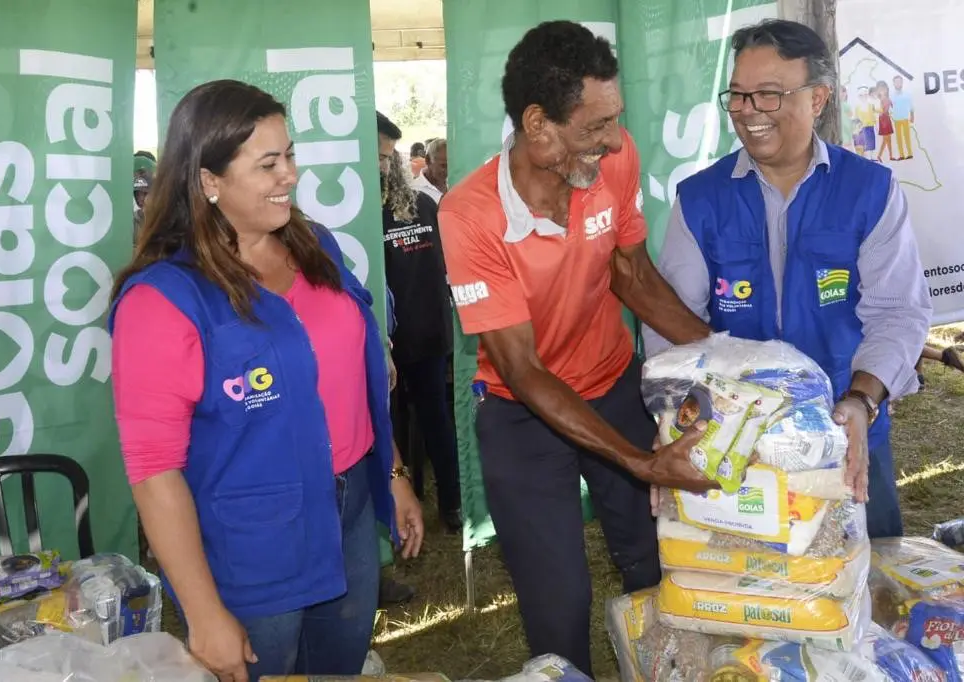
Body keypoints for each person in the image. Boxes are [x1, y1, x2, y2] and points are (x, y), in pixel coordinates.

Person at [109, 80, 424, 681]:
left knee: (339, 667)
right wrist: (204, 615)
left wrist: (393, 472)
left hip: (350, 510)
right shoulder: (162, 301)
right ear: (209, 181)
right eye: (268, 164)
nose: (290, 176)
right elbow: (154, 472)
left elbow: (352, 380)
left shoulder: (315, 246)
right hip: (254, 547)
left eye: (291, 156)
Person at [438, 20, 718, 676]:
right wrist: (637, 462)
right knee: (559, 601)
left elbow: (632, 275)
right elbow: (523, 370)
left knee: (658, 559)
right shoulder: (467, 214)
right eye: (595, 126)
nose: (615, 140)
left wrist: (727, 353)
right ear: (539, 125)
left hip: (615, 384)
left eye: (615, 121)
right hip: (521, 414)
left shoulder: (613, 162)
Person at [643, 19, 931, 540]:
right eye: (739, 95)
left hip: (847, 431)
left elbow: (898, 312)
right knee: (748, 592)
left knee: (861, 584)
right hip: (729, 438)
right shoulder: (701, 199)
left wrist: (861, 402)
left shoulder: (870, 191)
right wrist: (681, 421)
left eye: (769, 95)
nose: (749, 111)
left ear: (818, 99)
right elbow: (669, 327)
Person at [377, 112, 461, 532]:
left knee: (430, 421)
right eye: (376, 155)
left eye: (386, 156)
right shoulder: (367, 212)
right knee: (399, 425)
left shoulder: (421, 204)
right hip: (393, 339)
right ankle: (420, 508)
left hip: (419, 335)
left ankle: (449, 504)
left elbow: (440, 268)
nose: (381, 164)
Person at [411, 138, 448, 204]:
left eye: (451, 166)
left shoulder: (456, 183)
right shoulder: (414, 190)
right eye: (443, 166)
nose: (448, 171)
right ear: (428, 160)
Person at [891, 75, 914, 160]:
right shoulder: (891, 96)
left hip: (905, 119)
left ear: (902, 83)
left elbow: (911, 106)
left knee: (907, 137)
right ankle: (901, 155)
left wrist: (912, 115)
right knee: (899, 138)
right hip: (896, 119)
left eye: (899, 82)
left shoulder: (907, 94)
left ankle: (910, 153)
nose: (898, 83)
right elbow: (890, 107)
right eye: (896, 82)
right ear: (894, 83)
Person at [875, 80, 894, 163]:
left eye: (884, 89)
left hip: (887, 118)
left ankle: (888, 155)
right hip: (883, 119)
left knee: (887, 139)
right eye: (880, 89)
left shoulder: (887, 98)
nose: (882, 91)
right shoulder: (880, 100)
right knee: (886, 139)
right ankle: (886, 155)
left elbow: (892, 107)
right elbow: (881, 110)